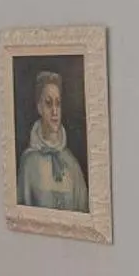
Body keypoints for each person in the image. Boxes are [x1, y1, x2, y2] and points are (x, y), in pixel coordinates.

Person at [18, 69, 88, 211]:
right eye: (49, 104)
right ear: (39, 108)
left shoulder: (71, 163)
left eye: (58, 103)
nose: (55, 112)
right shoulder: (29, 163)